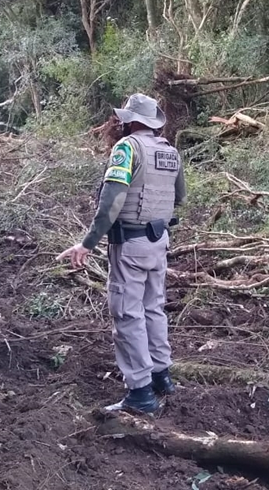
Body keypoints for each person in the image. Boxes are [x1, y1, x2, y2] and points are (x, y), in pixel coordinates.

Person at [57, 93, 186, 414]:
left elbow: (111, 203)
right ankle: (161, 376)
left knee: (128, 315)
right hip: (159, 242)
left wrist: (86, 244)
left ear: (132, 120)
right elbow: (179, 196)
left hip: (130, 244)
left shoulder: (127, 149)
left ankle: (140, 393)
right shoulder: (170, 152)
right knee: (154, 308)